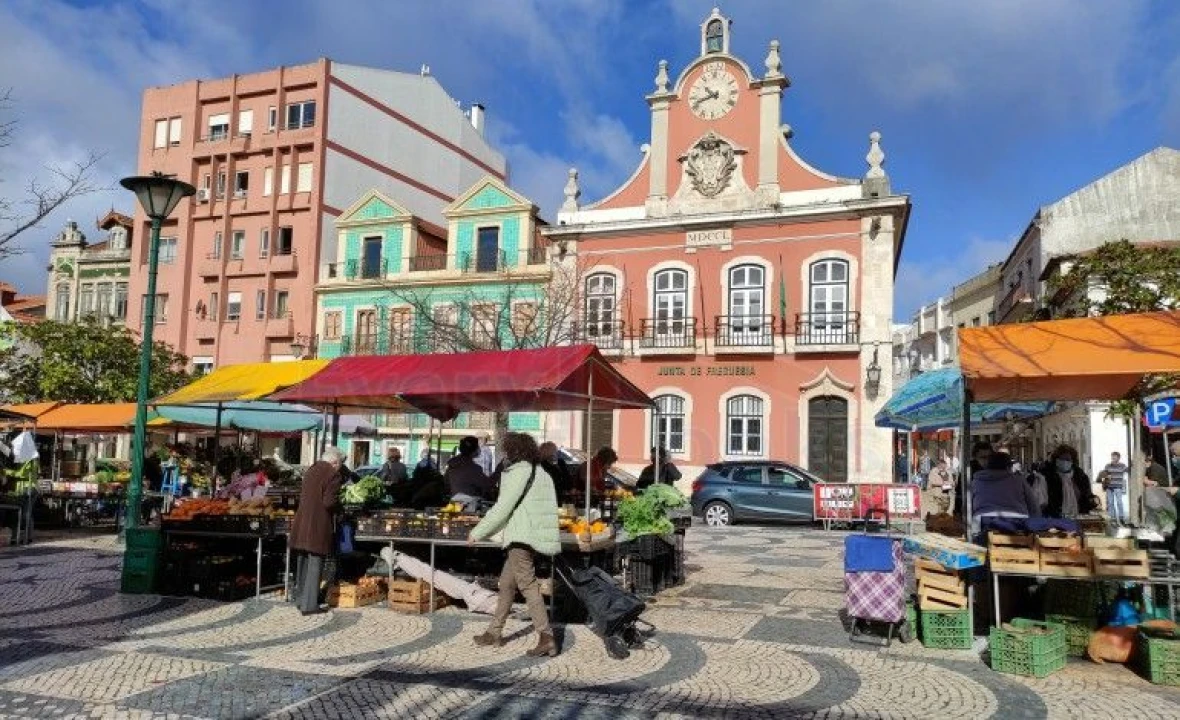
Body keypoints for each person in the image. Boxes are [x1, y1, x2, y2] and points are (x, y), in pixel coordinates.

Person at [470, 432, 560, 657]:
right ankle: (494, 631)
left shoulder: (516, 473)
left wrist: (478, 532)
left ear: (513, 451)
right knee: (506, 584)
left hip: (520, 536)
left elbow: (503, 508)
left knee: (527, 585)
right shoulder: (542, 473)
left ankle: (546, 636)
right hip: (533, 536)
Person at [289, 447, 344, 616]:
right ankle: (310, 605)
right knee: (315, 562)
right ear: (334, 462)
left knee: (303, 561)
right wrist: (339, 507)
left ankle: (300, 600)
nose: (339, 468)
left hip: (302, 522)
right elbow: (328, 502)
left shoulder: (311, 470)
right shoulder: (333, 475)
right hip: (317, 524)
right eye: (340, 465)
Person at [971, 451, 1041, 538]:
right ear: (1008, 466)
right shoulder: (1019, 480)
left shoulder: (976, 481)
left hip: (982, 523)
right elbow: (1033, 505)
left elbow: (969, 505)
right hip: (1018, 523)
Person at [1042, 445, 1098, 519]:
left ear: (1072, 461)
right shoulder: (1048, 476)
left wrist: (1092, 501)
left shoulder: (1080, 477)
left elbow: (1086, 496)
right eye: (1061, 459)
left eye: (1068, 459)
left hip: (1078, 516)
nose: (1064, 462)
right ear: (1056, 460)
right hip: (1053, 517)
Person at [446, 436, 492, 512]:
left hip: (453, 505)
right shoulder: (474, 469)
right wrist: (499, 470)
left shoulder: (451, 466)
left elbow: (446, 483)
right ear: (474, 450)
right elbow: (488, 485)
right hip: (470, 508)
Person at [1098, 451, 1130, 524]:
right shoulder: (1108, 466)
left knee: (1119, 502)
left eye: (1114, 457)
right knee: (1110, 503)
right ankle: (1113, 518)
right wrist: (1105, 476)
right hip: (1109, 487)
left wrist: (1131, 463)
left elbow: (1128, 470)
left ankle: (1121, 517)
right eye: (1112, 456)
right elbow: (1104, 475)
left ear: (1118, 458)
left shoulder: (1122, 465)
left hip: (1118, 486)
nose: (1113, 458)